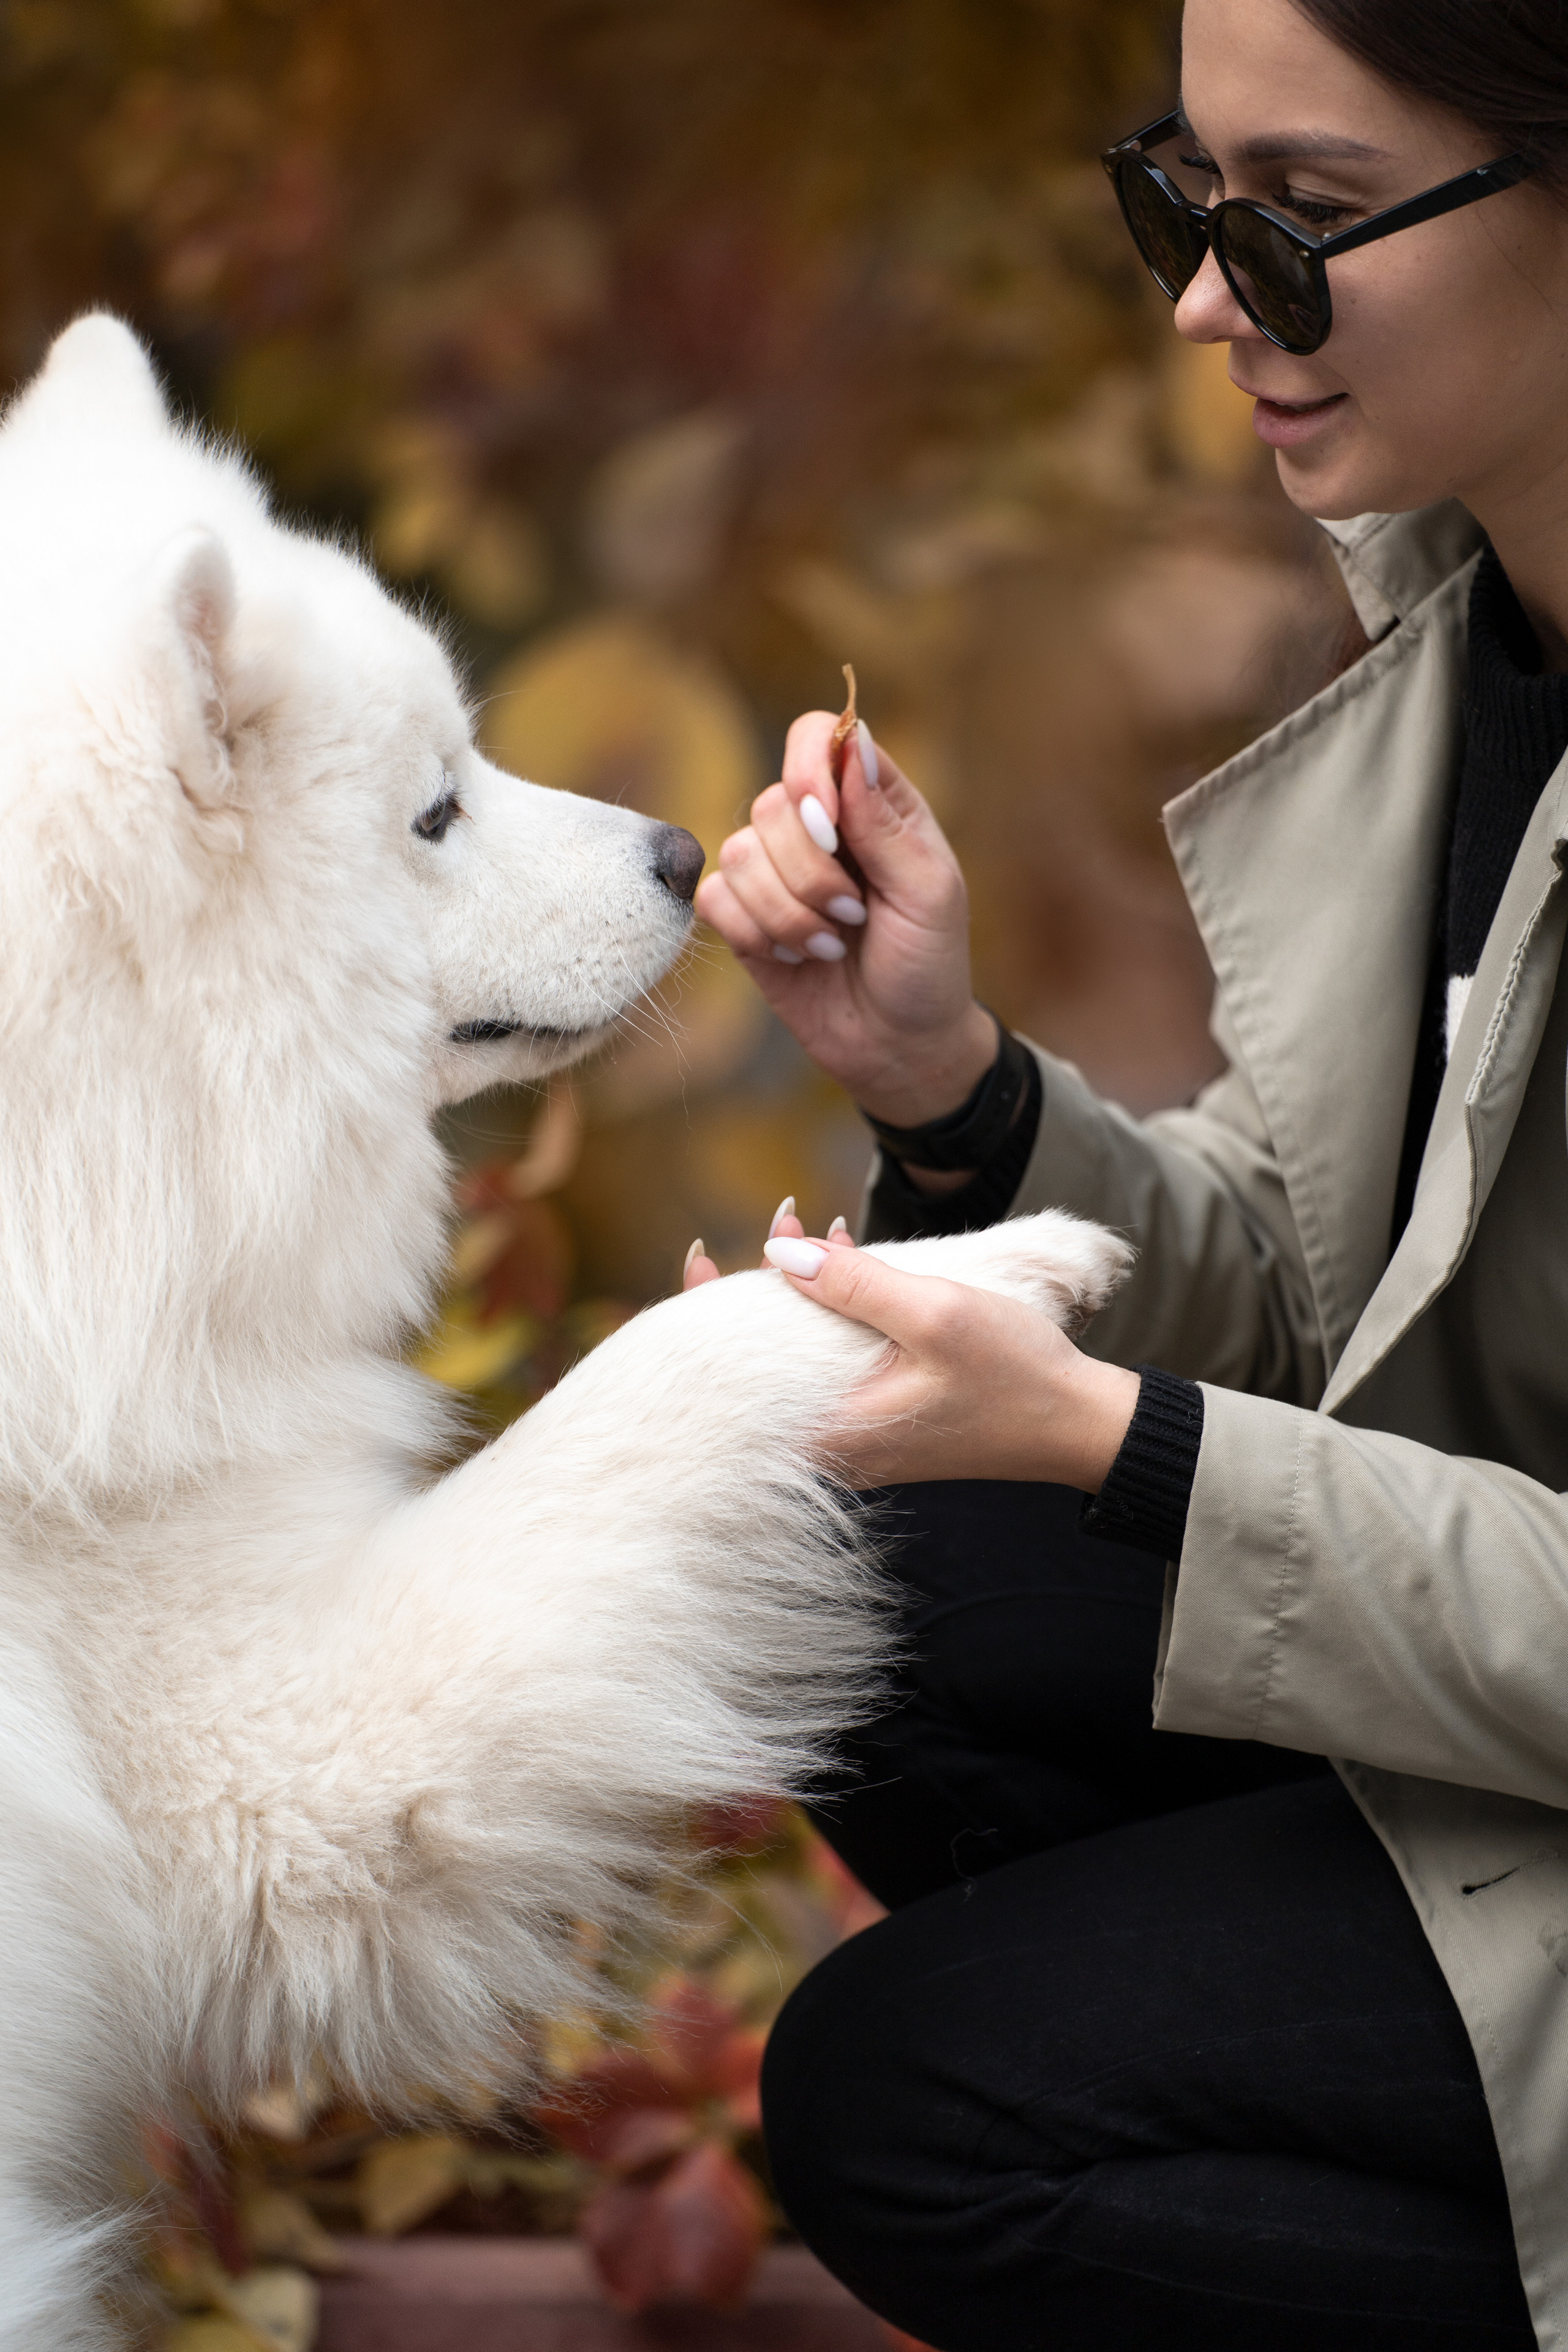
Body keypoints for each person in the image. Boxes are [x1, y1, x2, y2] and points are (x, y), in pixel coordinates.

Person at [682, 1, 1568, 2344]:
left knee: (915, 2104)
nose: (1201, 295)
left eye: (1309, 220)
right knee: (835, 1556)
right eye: (1181, 193)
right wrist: (952, 1089)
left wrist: (1124, 1442)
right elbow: (1338, 1284)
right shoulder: (1485, 644)